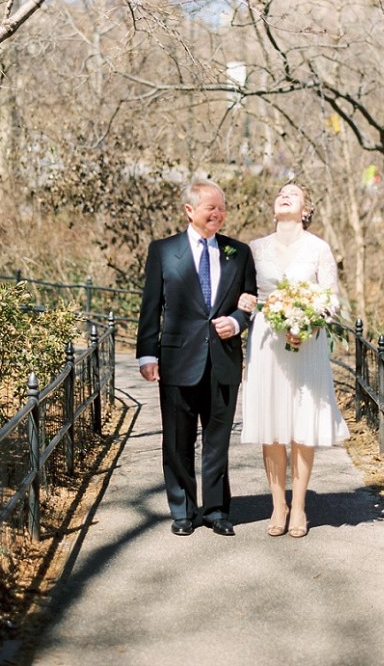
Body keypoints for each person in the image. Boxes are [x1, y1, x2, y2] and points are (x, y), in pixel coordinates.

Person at [136, 179, 257, 536]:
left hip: (223, 361)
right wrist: (147, 354)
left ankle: (217, 510)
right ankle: (183, 511)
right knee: (178, 439)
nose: (218, 214)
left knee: (217, 440)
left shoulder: (239, 252)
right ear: (190, 211)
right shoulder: (163, 251)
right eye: (211, 208)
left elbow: (249, 300)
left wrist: (236, 323)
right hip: (177, 361)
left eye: (222, 208)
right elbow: (151, 306)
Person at [238, 182, 350, 538]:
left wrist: (310, 323)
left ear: (305, 210)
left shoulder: (319, 249)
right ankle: (278, 503)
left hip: (307, 342)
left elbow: (332, 300)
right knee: (271, 425)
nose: (284, 196)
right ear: (274, 210)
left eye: (294, 194)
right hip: (266, 342)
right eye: (280, 194)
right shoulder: (254, 249)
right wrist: (244, 303)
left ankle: (299, 505)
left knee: (302, 423)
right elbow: (244, 293)